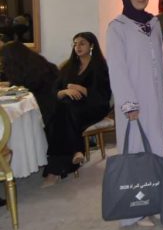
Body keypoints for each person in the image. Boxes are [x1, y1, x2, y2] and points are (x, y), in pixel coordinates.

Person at [106, 0, 163, 228]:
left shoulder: (154, 23)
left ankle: (156, 203)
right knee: (136, 154)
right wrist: (129, 103)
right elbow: (117, 69)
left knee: (157, 151)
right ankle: (135, 212)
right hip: (135, 103)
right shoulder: (117, 27)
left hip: (158, 100)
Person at [42, 32, 111, 187]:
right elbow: (54, 90)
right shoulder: (68, 66)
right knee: (63, 112)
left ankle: (54, 170)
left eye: (82, 43)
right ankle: (75, 152)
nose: (77, 47)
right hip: (70, 107)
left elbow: (104, 95)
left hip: (94, 106)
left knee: (59, 116)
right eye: (75, 44)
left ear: (91, 46)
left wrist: (81, 89)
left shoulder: (100, 66)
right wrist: (64, 92)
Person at [0, 41, 58, 125]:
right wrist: (8, 84)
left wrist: (7, 89)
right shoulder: (37, 63)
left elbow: (23, 90)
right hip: (54, 106)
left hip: (41, 109)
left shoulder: (25, 70)